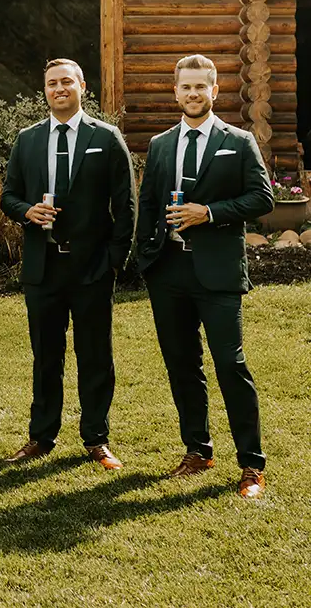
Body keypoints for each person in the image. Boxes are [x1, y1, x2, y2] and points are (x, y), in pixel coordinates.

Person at [135, 54, 273, 497]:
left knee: (230, 364)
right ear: (175, 91)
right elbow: (150, 205)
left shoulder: (240, 141)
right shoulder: (160, 144)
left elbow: (262, 198)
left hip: (217, 273)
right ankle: (198, 449)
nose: (193, 94)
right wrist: (146, 260)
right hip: (169, 272)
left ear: (215, 92)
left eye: (201, 87)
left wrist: (209, 212)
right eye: (185, 86)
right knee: (182, 365)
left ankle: (251, 465)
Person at [0, 59, 134, 469]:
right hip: (43, 268)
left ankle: (96, 438)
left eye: (66, 82)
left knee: (94, 354)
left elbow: (126, 205)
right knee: (46, 355)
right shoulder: (28, 139)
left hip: (92, 267)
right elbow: (9, 197)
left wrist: (114, 260)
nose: (59, 89)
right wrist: (27, 212)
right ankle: (41, 436)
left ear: (81, 86)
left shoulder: (107, 138)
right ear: (45, 91)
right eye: (52, 83)